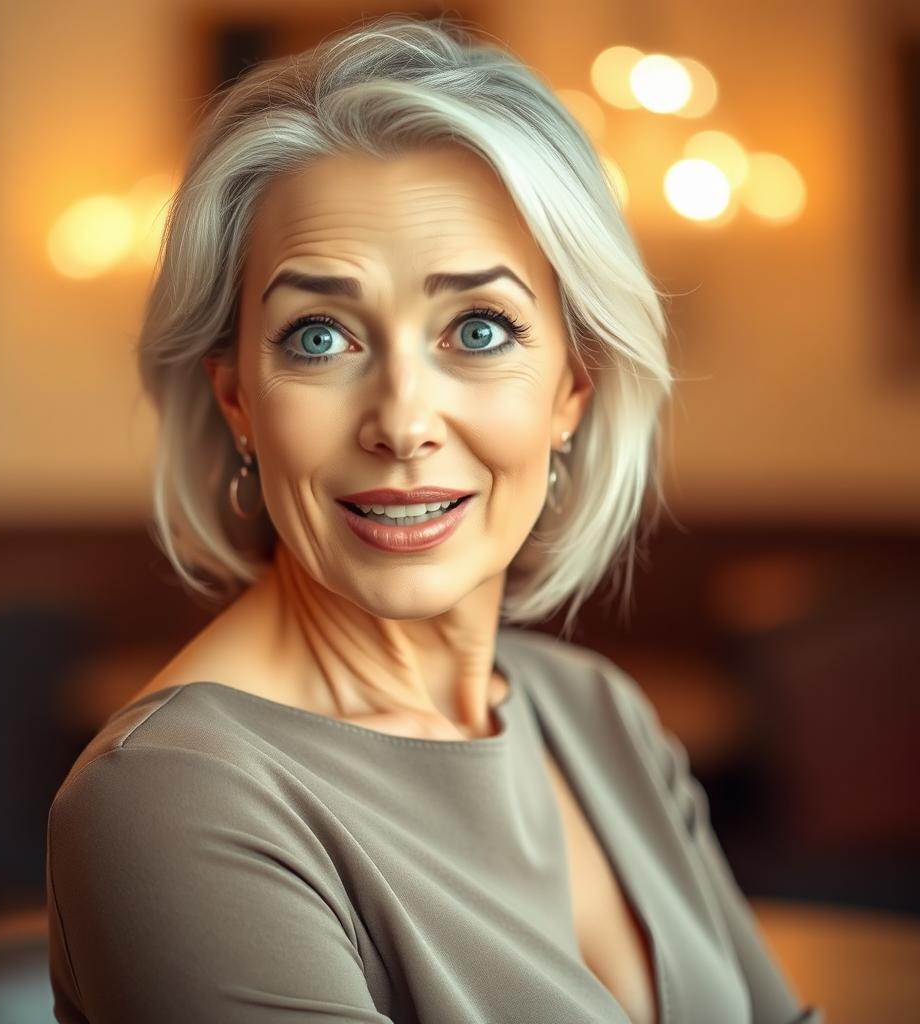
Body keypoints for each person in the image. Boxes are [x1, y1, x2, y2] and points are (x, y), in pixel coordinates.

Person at [45, 14, 822, 1024]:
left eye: (479, 328)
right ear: (237, 399)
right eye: (319, 336)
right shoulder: (168, 796)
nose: (403, 422)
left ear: (571, 388)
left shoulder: (597, 714)